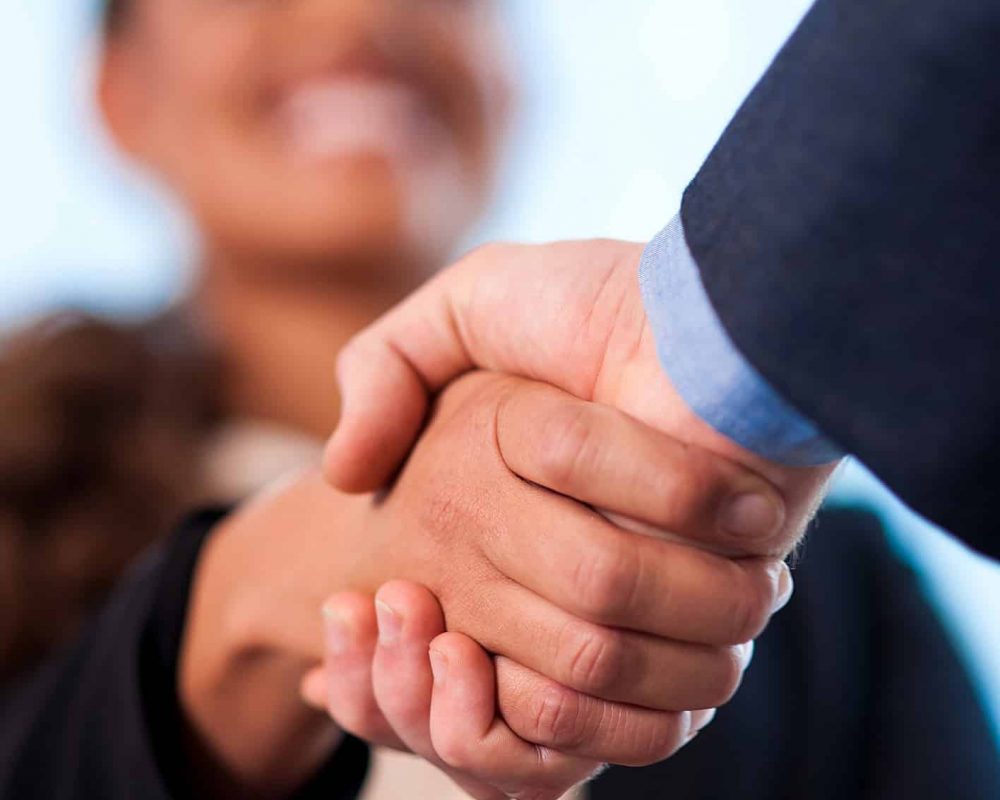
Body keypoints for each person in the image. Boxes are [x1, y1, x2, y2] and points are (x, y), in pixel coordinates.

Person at [0, 1, 995, 799]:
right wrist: (277, 578)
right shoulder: (24, 505)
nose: (356, 18)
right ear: (118, 97)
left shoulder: (821, 587)